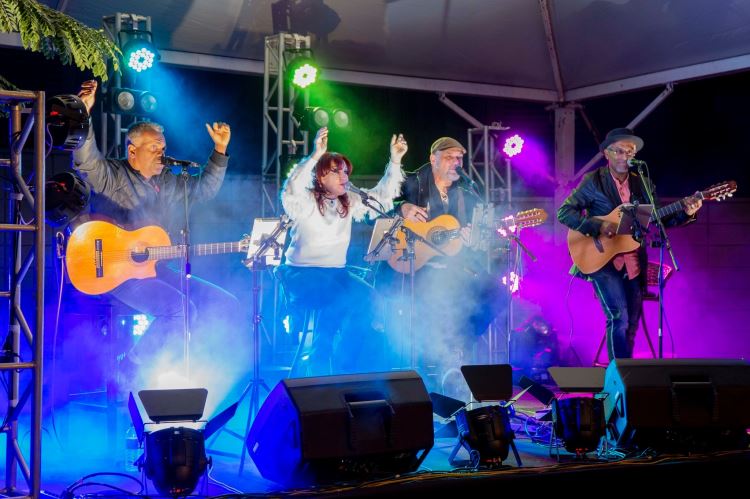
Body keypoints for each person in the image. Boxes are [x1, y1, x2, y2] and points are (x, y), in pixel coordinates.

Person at [73, 80, 242, 388]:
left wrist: (219, 151)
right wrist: (83, 115)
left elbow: (203, 190)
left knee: (223, 302)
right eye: (153, 149)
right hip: (115, 272)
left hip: (153, 267)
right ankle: (132, 365)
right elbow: (87, 163)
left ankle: (188, 366)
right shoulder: (115, 175)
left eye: (163, 149)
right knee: (179, 309)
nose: (161, 155)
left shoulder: (170, 182)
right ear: (132, 151)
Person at [557, 127, 702, 360]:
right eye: (620, 151)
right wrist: (598, 226)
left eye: (631, 151)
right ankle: (618, 374)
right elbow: (564, 213)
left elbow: (660, 218)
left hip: (633, 259)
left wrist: (687, 212)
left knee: (632, 322)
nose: (626, 156)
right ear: (607, 153)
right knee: (619, 317)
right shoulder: (594, 180)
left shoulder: (642, 183)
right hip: (601, 259)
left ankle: (627, 370)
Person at [278, 126, 407, 375]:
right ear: (320, 177)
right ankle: (320, 358)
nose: (343, 176)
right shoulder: (304, 201)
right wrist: (316, 155)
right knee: (338, 297)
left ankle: (346, 363)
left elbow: (382, 197)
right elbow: (291, 188)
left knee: (370, 299)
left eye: (346, 171)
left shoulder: (348, 201)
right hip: (301, 274)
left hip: (336, 273)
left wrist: (395, 161)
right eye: (336, 171)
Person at [395, 137, 504, 376]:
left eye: (459, 158)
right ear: (433, 159)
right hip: (416, 265)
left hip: (454, 266)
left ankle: (459, 344)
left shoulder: (466, 193)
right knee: (433, 296)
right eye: (449, 157)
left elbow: (474, 241)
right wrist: (403, 207)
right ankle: (427, 362)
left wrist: (472, 239)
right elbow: (379, 205)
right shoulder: (412, 182)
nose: (456, 163)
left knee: (498, 292)